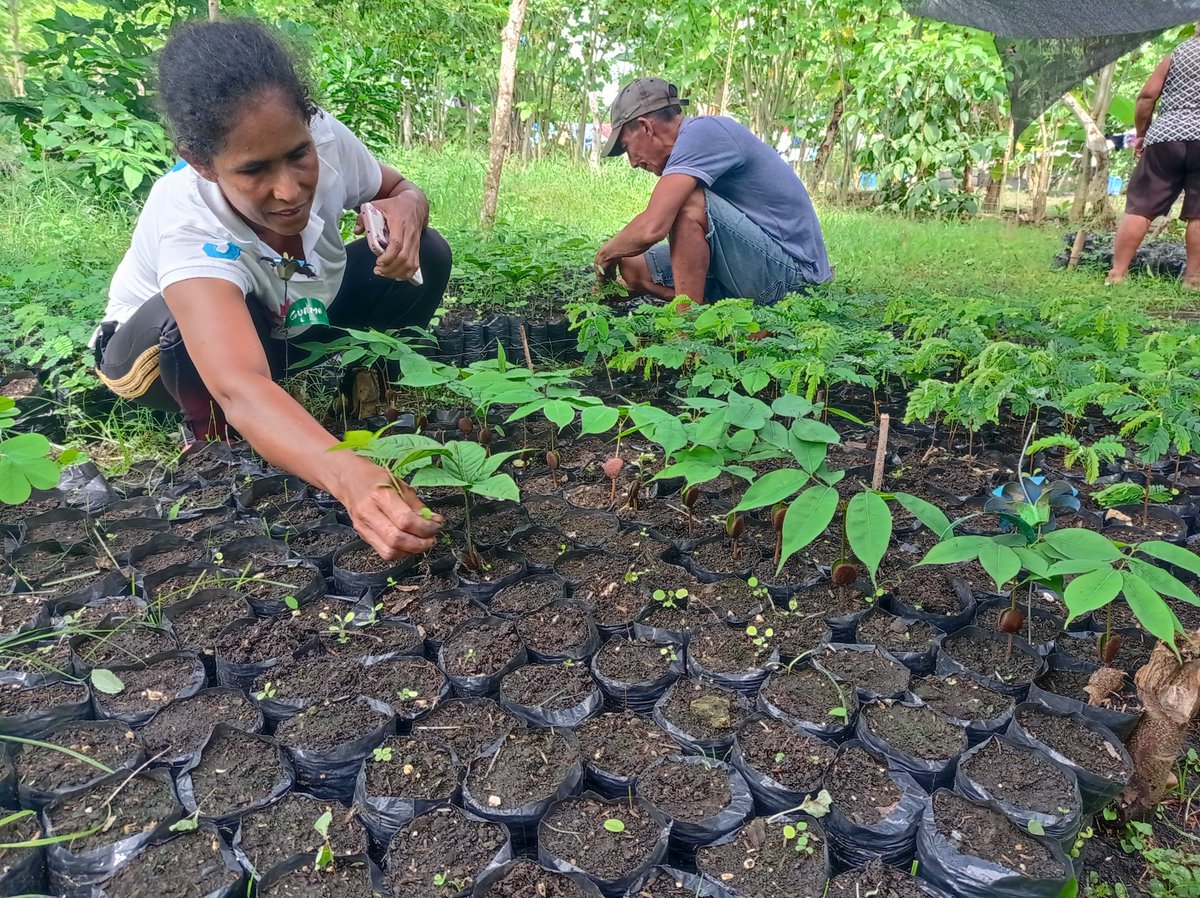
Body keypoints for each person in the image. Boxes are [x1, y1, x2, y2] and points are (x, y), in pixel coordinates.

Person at [92, 19, 448, 560]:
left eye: (297, 155)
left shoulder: (324, 138)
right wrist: (348, 475)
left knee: (430, 252)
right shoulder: (186, 222)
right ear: (202, 163)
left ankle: (367, 384)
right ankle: (214, 448)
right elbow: (238, 382)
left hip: (284, 320)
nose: (288, 190)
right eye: (254, 170)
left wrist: (406, 210)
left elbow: (400, 187)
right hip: (160, 359)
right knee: (185, 324)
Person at [594, 78, 832, 307]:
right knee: (633, 266)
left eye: (627, 147)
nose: (633, 163)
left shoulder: (702, 133)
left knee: (687, 203)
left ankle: (686, 324)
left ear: (646, 127)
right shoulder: (692, 145)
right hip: (757, 265)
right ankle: (719, 314)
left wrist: (605, 255)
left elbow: (652, 227)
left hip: (796, 280)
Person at [1107, 36, 1200, 287]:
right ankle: (1194, 280)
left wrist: (1141, 133)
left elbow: (1147, 96)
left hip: (1166, 138)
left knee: (1141, 207)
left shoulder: (1179, 52)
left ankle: (1117, 274)